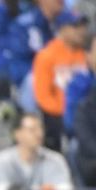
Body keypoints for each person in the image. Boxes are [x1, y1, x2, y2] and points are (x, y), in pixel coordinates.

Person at [32, 11, 89, 151]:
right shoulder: (47, 55)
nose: (81, 31)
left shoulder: (88, 54)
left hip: (86, 112)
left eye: (83, 26)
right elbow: (43, 97)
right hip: (57, 116)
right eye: (75, 26)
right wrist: (66, 112)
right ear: (62, 29)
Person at [0, 113, 74, 190]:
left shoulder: (55, 159)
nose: (39, 134)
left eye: (40, 129)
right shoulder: (0, 161)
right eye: (32, 130)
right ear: (17, 134)